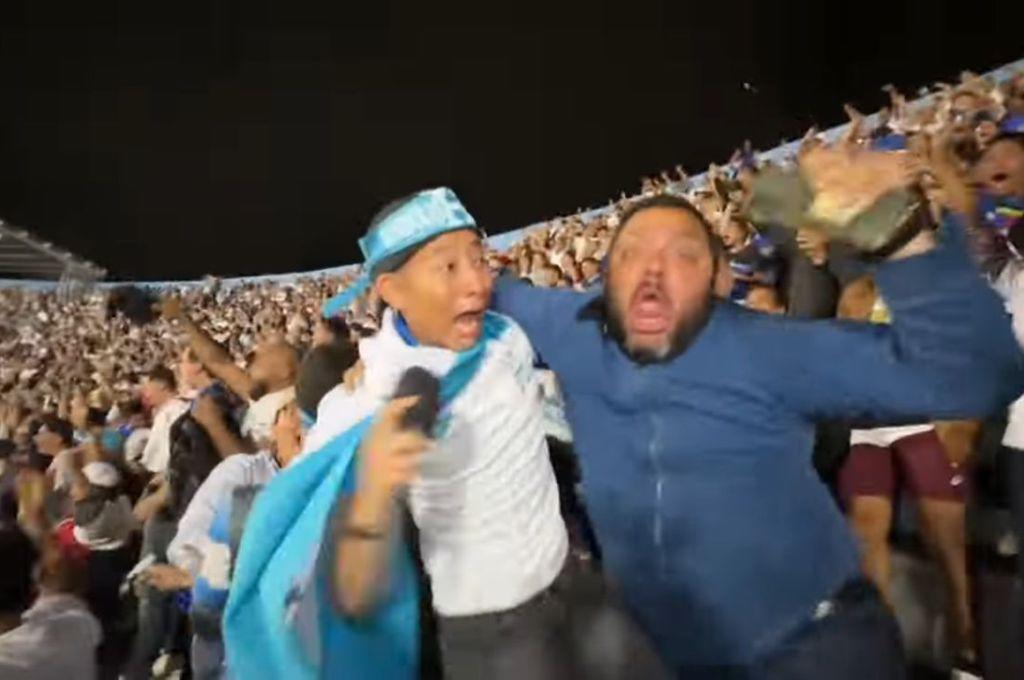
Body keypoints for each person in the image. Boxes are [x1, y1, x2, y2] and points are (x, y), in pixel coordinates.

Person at [488, 149, 1024, 678]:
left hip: (814, 647)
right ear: (603, 281)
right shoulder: (572, 327)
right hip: (667, 654)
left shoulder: (769, 352)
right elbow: (487, 294)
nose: (653, 268)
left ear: (721, 281)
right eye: (630, 253)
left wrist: (904, 239)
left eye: (684, 254)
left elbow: (973, 376)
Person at [835, 276, 976, 668]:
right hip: (872, 419)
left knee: (945, 536)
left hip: (927, 417)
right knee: (865, 526)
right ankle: (877, 643)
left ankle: (965, 642)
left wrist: (963, 422)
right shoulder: (858, 290)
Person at [160, 297, 300, 450]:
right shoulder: (262, 394)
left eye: (264, 351)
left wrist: (215, 426)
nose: (252, 354)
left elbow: (254, 468)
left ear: (285, 370)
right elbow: (218, 362)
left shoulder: (292, 416)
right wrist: (183, 320)